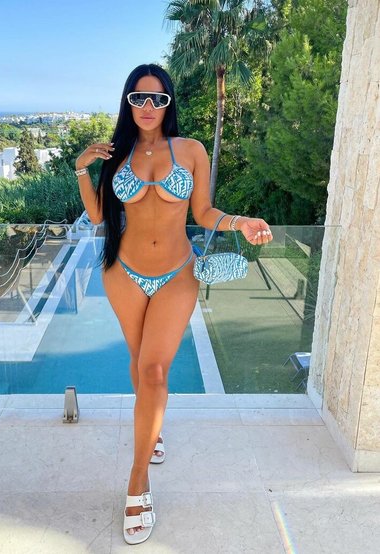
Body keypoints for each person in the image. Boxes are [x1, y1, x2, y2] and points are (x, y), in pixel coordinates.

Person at [74, 63, 273, 545]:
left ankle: (138, 481)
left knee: (155, 371)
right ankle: (153, 430)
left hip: (176, 274)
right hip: (123, 272)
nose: (148, 107)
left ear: (169, 104)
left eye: (158, 99)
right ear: (127, 102)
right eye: (139, 98)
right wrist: (83, 167)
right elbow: (98, 215)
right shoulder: (116, 154)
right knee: (139, 361)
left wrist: (241, 221)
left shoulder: (190, 150)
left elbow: (201, 211)